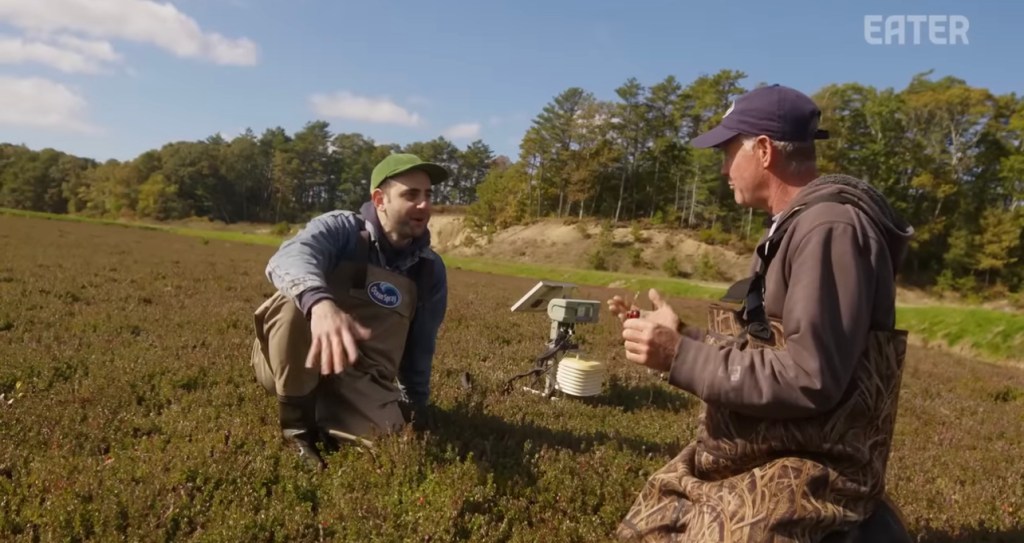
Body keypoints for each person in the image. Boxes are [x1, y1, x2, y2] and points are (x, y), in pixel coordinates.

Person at [608, 84, 916, 542]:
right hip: (772, 450)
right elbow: (772, 350)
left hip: (817, 465)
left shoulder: (828, 229)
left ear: (765, 150)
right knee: (651, 519)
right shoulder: (792, 228)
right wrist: (684, 337)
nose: (722, 167)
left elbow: (810, 376)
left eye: (728, 151)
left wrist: (680, 357)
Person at [250, 153, 449, 470]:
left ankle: (331, 411)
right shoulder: (341, 229)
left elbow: (420, 347)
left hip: (360, 378)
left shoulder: (430, 270)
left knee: (395, 454)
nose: (424, 205)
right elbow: (287, 258)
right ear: (379, 199)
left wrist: (415, 407)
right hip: (294, 360)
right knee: (292, 303)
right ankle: (298, 433)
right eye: (411, 195)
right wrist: (319, 304)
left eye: (428, 195)